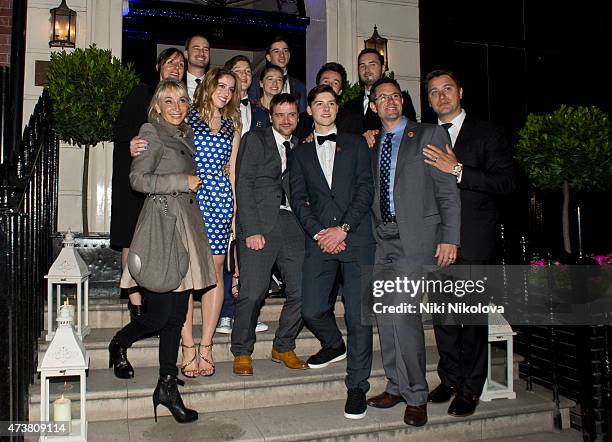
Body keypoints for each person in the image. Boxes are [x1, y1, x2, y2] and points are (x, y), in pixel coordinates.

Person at [108, 79, 216, 423]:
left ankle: (167, 385)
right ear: (157, 106)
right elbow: (137, 180)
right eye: (169, 100)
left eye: (182, 100)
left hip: (185, 228)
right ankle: (120, 342)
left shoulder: (183, 134)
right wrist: (180, 182)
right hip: (163, 228)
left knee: (178, 316)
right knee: (160, 315)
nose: (177, 106)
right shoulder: (151, 132)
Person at [365, 77, 460, 427]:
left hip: (415, 241)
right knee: (386, 316)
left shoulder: (428, 135)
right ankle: (394, 384)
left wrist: (450, 237)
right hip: (382, 240)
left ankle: (416, 394)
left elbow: (447, 191)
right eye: (382, 98)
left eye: (395, 96)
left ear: (402, 101)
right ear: (373, 106)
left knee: (404, 316)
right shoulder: (373, 145)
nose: (390, 102)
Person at [423, 69, 515, 417]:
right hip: (437, 242)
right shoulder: (426, 135)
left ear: (460, 92)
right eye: (434, 92)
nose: (441, 96)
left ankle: (471, 387)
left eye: (447, 89)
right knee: (444, 317)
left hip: (474, 240)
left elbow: (506, 183)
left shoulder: (487, 132)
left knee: (472, 319)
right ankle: (449, 380)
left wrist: (458, 170)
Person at [289, 85, 375, 420]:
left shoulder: (356, 144)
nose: (325, 108)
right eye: (319, 104)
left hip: (356, 239)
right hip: (320, 239)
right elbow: (298, 199)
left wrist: (344, 229)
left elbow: (365, 189)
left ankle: (357, 387)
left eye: (331, 103)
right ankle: (333, 343)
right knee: (311, 309)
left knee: (358, 316)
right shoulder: (300, 152)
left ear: (337, 109)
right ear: (309, 110)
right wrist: (320, 232)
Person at [231, 93, 308, 376]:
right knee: (252, 292)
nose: (286, 120)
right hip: (260, 223)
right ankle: (242, 350)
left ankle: (283, 345)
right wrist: (250, 229)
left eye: (291, 115)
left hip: (294, 225)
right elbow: (243, 184)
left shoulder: (301, 146)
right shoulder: (256, 139)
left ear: (298, 118)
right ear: (271, 117)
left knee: (304, 291)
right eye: (280, 115)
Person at [110, 48, 186, 319]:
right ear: (158, 66)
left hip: (164, 185)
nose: (176, 67)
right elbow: (119, 130)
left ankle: (155, 300)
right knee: (133, 238)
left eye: (180, 64)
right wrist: (130, 140)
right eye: (170, 63)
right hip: (136, 182)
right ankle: (135, 303)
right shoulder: (140, 94)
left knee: (160, 242)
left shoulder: (180, 102)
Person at [180, 68, 242, 377]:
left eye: (231, 89)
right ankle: (187, 345)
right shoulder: (186, 118)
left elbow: (232, 171)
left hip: (220, 200)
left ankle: (206, 345)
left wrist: (234, 215)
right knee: (187, 275)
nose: (226, 92)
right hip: (189, 199)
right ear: (208, 86)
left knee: (215, 272)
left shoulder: (233, 125)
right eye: (221, 85)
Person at [218, 55, 269, 335]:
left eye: (248, 70)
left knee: (250, 253)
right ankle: (226, 312)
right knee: (227, 252)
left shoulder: (262, 111)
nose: (244, 74)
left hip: (253, 191)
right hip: (225, 187)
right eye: (237, 70)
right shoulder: (221, 110)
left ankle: (246, 312)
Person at [344, 48, 416, 132]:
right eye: (362, 65)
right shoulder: (349, 106)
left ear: (382, 69)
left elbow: (411, 131)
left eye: (372, 64)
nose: (366, 69)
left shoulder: (398, 100)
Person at [294, 62, 362, 141]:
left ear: (340, 91)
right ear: (318, 85)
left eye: (335, 83)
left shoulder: (353, 121)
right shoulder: (300, 121)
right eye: (326, 81)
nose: (329, 85)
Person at [249, 36, 307, 112]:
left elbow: (302, 116)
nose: (282, 55)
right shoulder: (254, 83)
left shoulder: (300, 86)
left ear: (289, 56)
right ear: (268, 57)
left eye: (285, 51)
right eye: (276, 51)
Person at [251, 65, 284, 130]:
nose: (275, 83)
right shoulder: (251, 107)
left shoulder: (286, 109)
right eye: (270, 79)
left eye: (279, 80)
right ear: (261, 83)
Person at [184, 34, 210, 101]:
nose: (201, 53)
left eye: (206, 49)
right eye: (196, 48)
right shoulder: (177, 82)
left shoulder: (215, 84)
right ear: (186, 54)